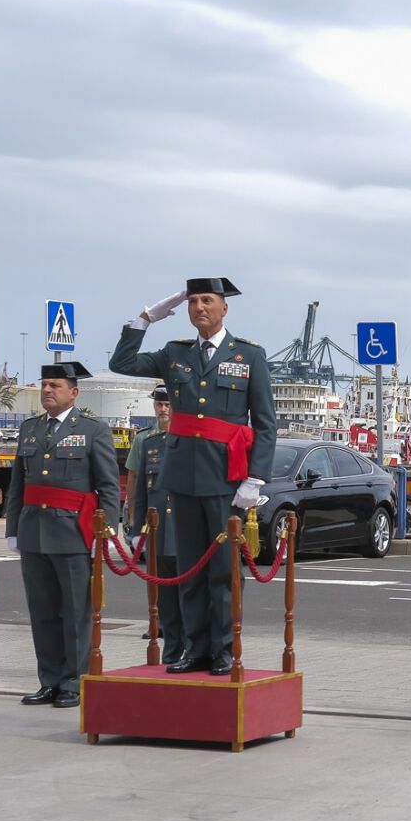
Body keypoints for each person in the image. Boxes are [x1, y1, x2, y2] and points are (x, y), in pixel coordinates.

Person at [109, 278, 276, 675]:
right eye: (193, 301)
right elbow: (122, 364)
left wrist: (255, 478)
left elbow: (265, 423)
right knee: (189, 568)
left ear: (224, 308)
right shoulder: (175, 353)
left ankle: (222, 650)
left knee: (222, 569)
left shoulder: (249, 356)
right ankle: (194, 649)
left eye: (207, 301)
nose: (199, 307)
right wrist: (145, 319)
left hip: (224, 478)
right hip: (181, 475)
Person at [2, 363, 120, 708]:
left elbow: (108, 486)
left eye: (54, 385)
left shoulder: (93, 430)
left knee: (75, 612)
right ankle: (49, 681)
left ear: (74, 392)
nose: (47, 390)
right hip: (33, 531)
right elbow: (17, 485)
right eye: (44, 385)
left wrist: (105, 531)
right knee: (42, 612)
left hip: (72, 533)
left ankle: (74, 682)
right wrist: (13, 529)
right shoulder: (30, 429)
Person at [126, 386, 188, 667]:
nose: (163, 410)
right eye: (159, 405)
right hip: (159, 534)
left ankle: (193, 650)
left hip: (187, 533)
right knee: (166, 600)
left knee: (189, 596)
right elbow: (140, 489)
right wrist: (136, 528)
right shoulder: (150, 443)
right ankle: (172, 652)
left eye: (168, 404)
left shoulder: (192, 441)